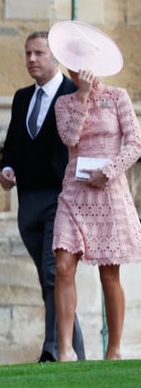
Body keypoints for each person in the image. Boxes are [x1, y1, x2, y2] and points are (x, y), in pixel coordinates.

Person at [48, 20, 141, 362]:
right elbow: (69, 138)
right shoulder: (64, 103)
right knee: (62, 264)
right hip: (74, 192)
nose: (78, 69)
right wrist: (83, 97)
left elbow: (135, 143)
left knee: (109, 272)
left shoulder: (118, 97)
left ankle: (114, 350)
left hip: (109, 191)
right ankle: (66, 349)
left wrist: (110, 171)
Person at [0, 31, 86, 363]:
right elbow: (12, 143)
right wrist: (6, 168)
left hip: (63, 197)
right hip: (28, 200)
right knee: (50, 280)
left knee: (54, 273)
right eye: (28, 54)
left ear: (55, 56)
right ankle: (75, 351)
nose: (32, 59)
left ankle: (53, 351)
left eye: (39, 53)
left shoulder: (73, 93)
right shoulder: (22, 97)